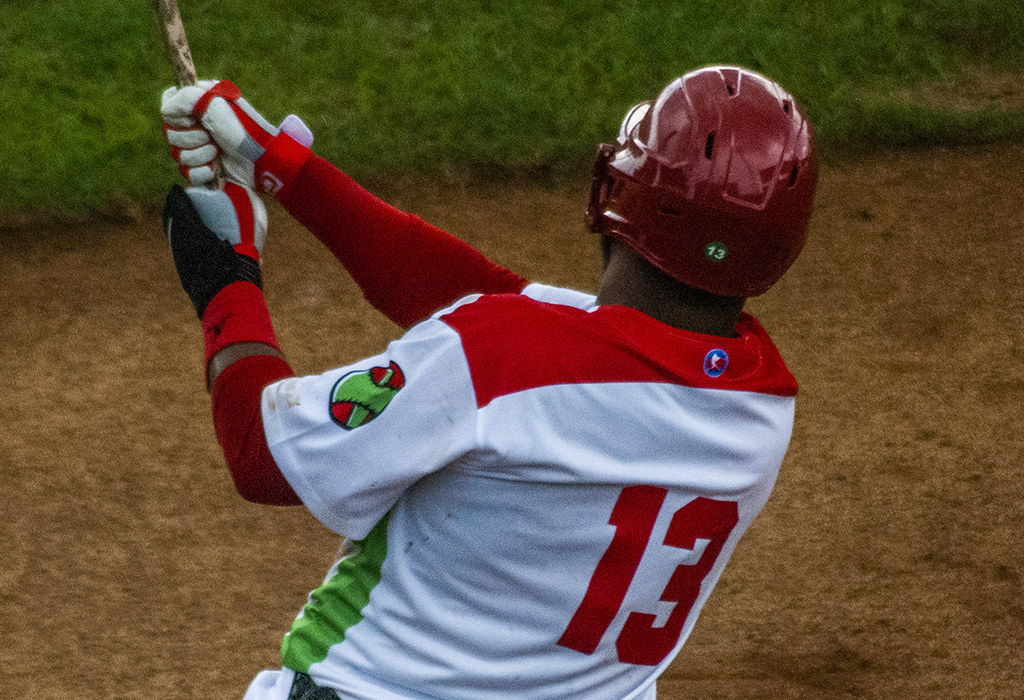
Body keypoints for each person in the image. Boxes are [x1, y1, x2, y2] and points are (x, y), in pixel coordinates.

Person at [159, 65, 818, 700]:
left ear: (618, 191)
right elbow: (491, 300)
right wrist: (283, 167)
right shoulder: (758, 409)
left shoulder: (497, 358)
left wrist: (226, 277)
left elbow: (260, 453)